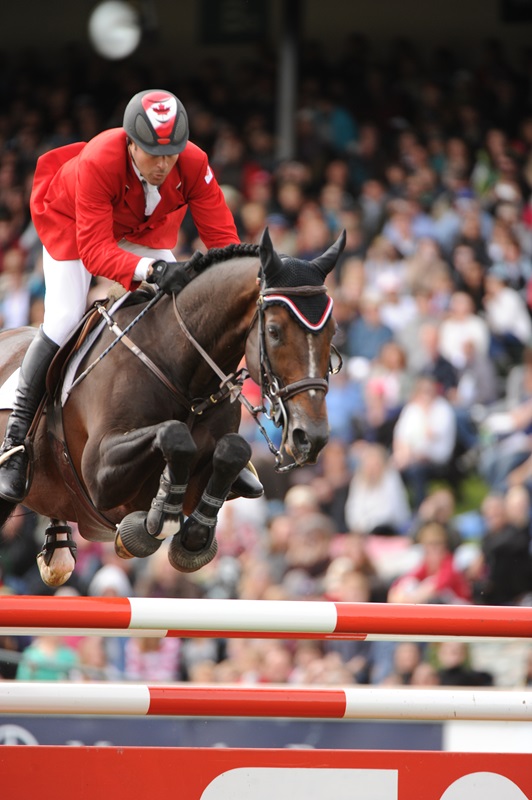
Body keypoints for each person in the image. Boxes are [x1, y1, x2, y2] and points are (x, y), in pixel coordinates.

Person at [0, 89, 257, 503]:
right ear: (130, 142)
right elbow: (97, 251)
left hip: (138, 231)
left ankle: (223, 440)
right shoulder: (101, 159)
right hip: (74, 228)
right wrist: (153, 270)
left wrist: (237, 285)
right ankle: (14, 445)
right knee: (64, 318)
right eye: (153, 154)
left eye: (171, 154)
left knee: (192, 315)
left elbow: (224, 242)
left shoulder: (192, 163)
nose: (163, 164)